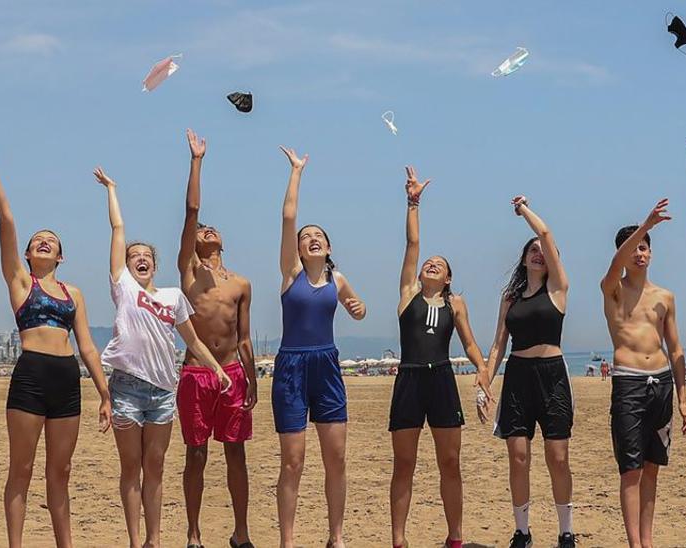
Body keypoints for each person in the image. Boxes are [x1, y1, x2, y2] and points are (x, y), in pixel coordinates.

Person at [0, 140, 111, 548]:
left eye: (51, 241)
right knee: (22, 468)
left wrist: (104, 393)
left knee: (60, 472)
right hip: (30, 376)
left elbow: (88, 347)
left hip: (66, 379)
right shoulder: (20, 282)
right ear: (28, 254)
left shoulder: (74, 293)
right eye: (37, 240)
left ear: (61, 257)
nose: (43, 242)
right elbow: (6, 219)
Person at [93, 166, 231, 548]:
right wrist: (112, 189)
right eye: (133, 256)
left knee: (154, 469)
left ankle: (155, 539)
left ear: (154, 264)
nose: (139, 259)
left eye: (145, 256)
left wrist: (217, 369)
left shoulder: (172, 297)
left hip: (162, 393)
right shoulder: (121, 287)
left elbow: (194, 342)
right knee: (131, 469)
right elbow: (117, 230)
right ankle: (136, 540)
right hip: (126, 390)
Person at [388, 166, 493, 548]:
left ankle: (455, 538)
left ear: (448, 278)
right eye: (428, 263)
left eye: (440, 264)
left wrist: (482, 371)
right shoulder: (407, 295)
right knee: (404, 464)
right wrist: (413, 202)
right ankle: (399, 539)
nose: (431, 263)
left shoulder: (456, 302)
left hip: (442, 380)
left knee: (450, 463)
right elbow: (412, 246)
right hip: (409, 379)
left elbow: (469, 344)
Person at [274, 146, 366, 548]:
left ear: (328, 248)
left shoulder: (338, 279)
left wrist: (359, 310)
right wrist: (296, 172)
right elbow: (289, 216)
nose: (311, 239)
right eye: (305, 238)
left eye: (318, 237)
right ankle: (288, 541)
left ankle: (337, 536)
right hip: (291, 367)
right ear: (298, 249)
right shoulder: (290, 272)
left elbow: (357, 309)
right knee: (293, 462)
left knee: (336, 460)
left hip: (327, 367)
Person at [174, 130, 258, 548]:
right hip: (195, 373)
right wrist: (197, 160)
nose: (206, 231)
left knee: (236, 453)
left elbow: (244, 339)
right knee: (196, 453)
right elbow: (192, 210)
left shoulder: (241, 282)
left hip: (232, 374)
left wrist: (254, 381)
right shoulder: (190, 274)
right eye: (200, 232)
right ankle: (193, 533)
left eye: (211, 230)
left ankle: (240, 531)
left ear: (222, 241)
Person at [600, 199, 686, 548]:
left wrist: (684, 398)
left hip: (662, 383)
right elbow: (614, 265)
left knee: (652, 467)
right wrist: (645, 225)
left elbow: (676, 348)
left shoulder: (665, 297)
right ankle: (633, 543)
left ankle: (648, 540)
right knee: (631, 469)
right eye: (633, 248)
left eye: (644, 248)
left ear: (651, 254)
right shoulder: (612, 288)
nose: (639, 253)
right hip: (628, 383)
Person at [481, 195, 576, 548]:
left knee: (558, 456)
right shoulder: (511, 297)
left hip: (552, 376)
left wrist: (523, 211)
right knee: (518, 457)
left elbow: (547, 233)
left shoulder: (558, 289)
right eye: (531, 250)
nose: (538, 252)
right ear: (523, 258)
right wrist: (484, 384)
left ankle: (566, 530)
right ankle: (522, 531)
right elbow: (497, 345)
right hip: (517, 376)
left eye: (542, 250)